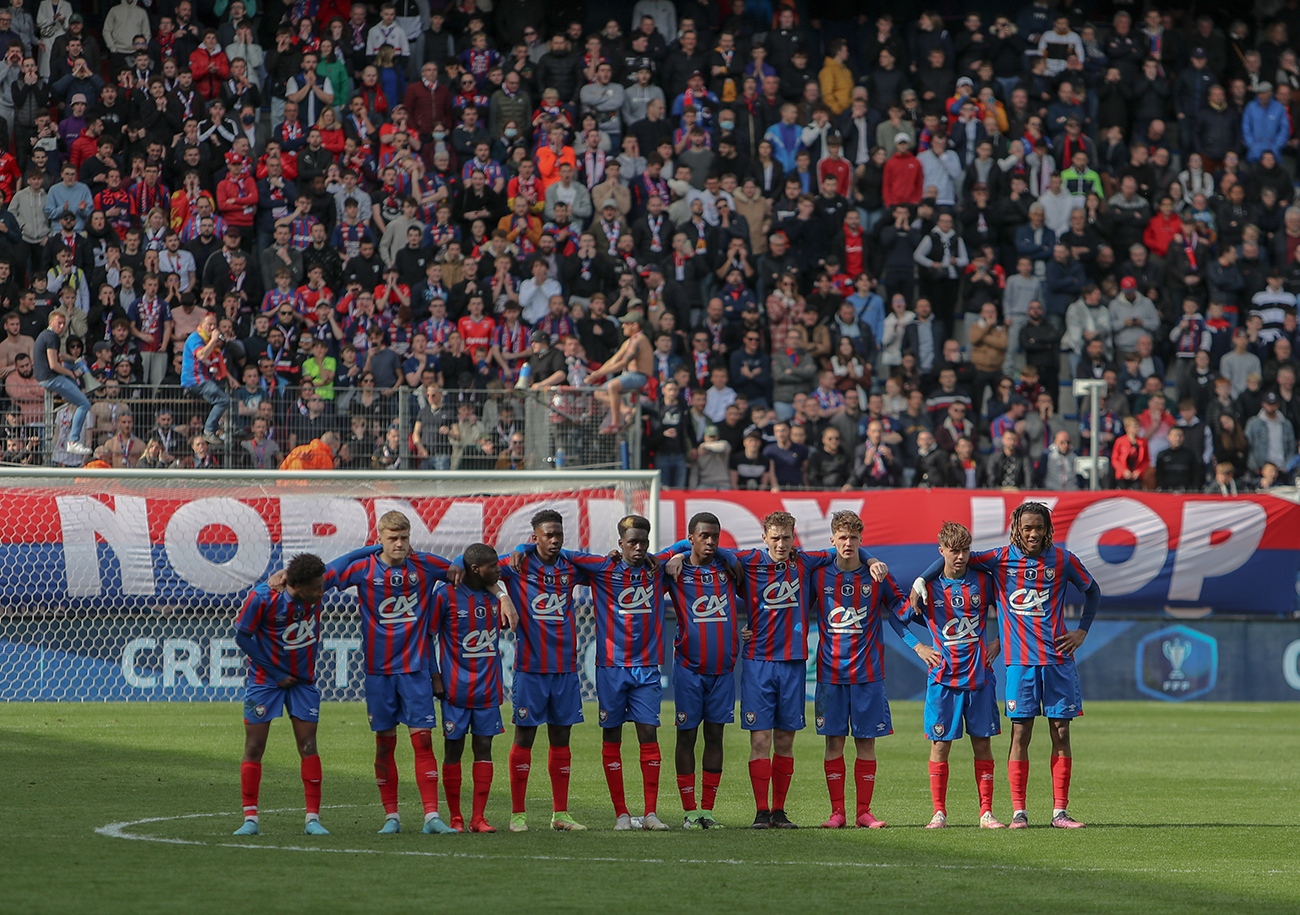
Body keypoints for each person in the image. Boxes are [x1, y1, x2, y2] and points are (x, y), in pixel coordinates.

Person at [664, 511, 886, 829]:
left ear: (794, 538)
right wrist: (678, 553)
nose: (781, 544)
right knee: (759, 741)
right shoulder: (749, 562)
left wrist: (872, 557)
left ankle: (779, 812)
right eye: (776, 537)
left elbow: (845, 547)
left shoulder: (805, 562)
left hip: (793, 663)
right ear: (764, 537)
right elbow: (706, 548)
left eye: (786, 538)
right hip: (756, 663)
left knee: (785, 741)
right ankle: (760, 811)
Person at [911, 502, 1102, 829]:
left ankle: (1060, 812)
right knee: (1020, 733)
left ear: (1047, 529)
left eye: (1038, 527)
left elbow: (1092, 590)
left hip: (1058, 660)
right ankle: (1019, 812)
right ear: (1017, 528)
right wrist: (920, 580)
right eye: (1027, 528)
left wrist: (1082, 631)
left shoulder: (1064, 560)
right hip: (1021, 664)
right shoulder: (1000, 559)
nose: (1032, 534)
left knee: (1061, 731)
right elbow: (956, 556)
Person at [511, 514, 671, 830]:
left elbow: (688, 544)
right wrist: (522, 548)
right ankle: (620, 815)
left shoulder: (657, 570)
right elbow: (484, 563)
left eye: (643, 543)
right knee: (596, 736)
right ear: (620, 544)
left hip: (640, 668)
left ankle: (649, 814)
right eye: (632, 542)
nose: (638, 548)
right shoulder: (602, 568)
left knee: (647, 734)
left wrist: (669, 558)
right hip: (604, 668)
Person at [309, 511, 459, 835]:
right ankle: (392, 816)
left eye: (404, 537)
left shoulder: (425, 565)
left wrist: (502, 596)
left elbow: (466, 569)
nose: (400, 543)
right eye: (393, 538)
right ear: (379, 539)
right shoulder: (364, 568)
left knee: (423, 743)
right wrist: (362, 552)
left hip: (416, 669)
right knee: (384, 745)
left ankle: (432, 816)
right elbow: (326, 575)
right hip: (378, 673)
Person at [898, 521, 1005, 829]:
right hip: (943, 680)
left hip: (979, 678)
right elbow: (898, 620)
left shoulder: (984, 581)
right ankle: (939, 813)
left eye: (965, 550)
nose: (961, 557)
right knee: (940, 746)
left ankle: (986, 813)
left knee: (982, 745)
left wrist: (998, 639)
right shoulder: (928, 589)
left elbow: (1011, 610)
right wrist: (919, 647)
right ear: (941, 550)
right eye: (954, 551)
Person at [809, 510, 909, 830]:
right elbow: (791, 607)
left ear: (861, 539)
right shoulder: (819, 574)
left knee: (866, 743)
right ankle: (837, 813)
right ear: (832, 540)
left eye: (854, 538)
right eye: (842, 537)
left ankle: (864, 812)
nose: (848, 543)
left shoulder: (877, 576)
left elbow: (900, 607)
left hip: (867, 675)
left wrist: (925, 603)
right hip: (830, 675)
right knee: (833, 743)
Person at [232, 552, 331, 837]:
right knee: (254, 747)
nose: (322, 592)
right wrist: (276, 673)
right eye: (316, 588)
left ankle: (312, 820)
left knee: (308, 745)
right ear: (298, 586)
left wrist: (283, 571)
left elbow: (346, 562)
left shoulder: (313, 588)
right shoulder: (263, 597)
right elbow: (242, 636)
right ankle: (250, 820)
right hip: (265, 681)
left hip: (302, 682)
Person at [430, 542, 517, 834]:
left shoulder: (496, 595)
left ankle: (478, 818)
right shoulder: (444, 596)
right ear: (477, 569)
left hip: (488, 689)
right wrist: (435, 675)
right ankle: (455, 817)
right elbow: (428, 637)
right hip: (454, 689)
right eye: (493, 566)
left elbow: (503, 582)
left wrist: (503, 595)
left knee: (484, 749)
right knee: (453, 750)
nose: (498, 569)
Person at [662, 511, 738, 829]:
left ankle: (708, 810)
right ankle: (689, 810)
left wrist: (716, 550)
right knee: (686, 737)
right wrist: (678, 551)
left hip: (723, 671)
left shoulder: (729, 568)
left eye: (715, 536)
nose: (710, 541)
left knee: (716, 737)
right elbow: (645, 561)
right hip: (689, 670)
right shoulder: (675, 570)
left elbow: (737, 558)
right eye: (703, 536)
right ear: (691, 537)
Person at [33, 310, 91, 456]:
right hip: (50, 378)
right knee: (84, 404)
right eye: (59, 323)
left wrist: (74, 359)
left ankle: (80, 389)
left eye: (64, 323)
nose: (62, 326)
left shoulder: (45, 335)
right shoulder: (52, 337)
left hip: (45, 377)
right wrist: (72, 374)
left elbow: (59, 355)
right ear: (50, 322)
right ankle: (73, 441)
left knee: (72, 374)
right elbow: (54, 364)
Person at [585, 312, 651, 433]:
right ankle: (626, 410)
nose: (623, 326)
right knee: (599, 393)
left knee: (612, 386)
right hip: (628, 375)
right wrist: (596, 373)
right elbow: (613, 360)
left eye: (626, 323)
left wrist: (600, 374)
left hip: (639, 376)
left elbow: (623, 363)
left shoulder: (639, 340)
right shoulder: (629, 342)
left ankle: (616, 424)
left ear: (635, 326)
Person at [180, 311, 230, 443]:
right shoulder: (195, 338)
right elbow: (201, 355)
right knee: (223, 400)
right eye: (209, 324)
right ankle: (209, 430)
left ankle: (230, 428)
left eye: (214, 324)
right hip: (195, 381)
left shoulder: (206, 340)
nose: (213, 327)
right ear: (201, 325)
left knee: (229, 392)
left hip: (206, 379)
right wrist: (214, 340)